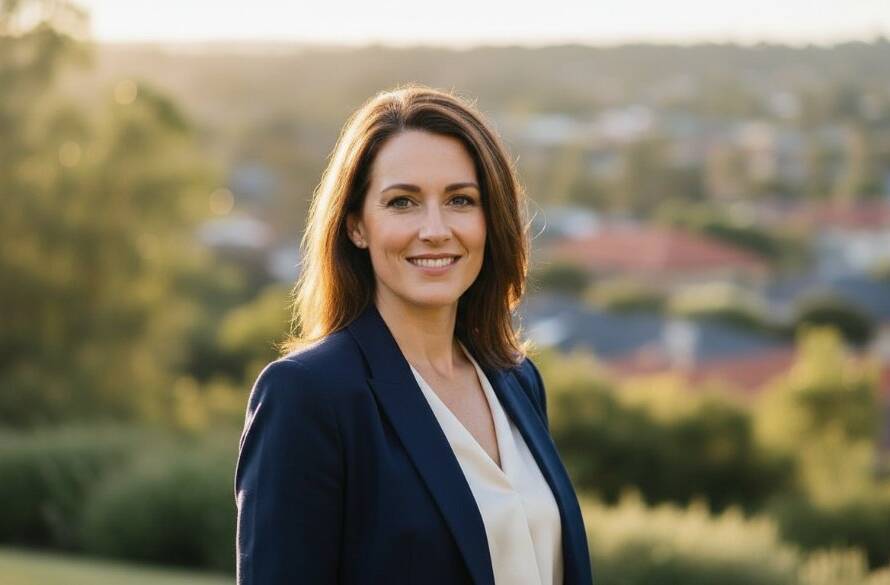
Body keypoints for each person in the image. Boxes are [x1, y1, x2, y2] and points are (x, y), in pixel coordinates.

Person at [234, 84, 594, 585]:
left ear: (491, 220)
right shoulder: (308, 396)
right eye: (402, 202)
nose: (435, 229)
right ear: (357, 225)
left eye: (460, 200)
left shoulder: (517, 381)